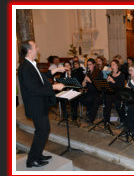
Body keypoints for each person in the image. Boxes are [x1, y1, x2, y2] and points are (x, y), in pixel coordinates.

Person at [18, 40, 65, 168]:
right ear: (29, 51)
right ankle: (32, 159)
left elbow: (39, 77)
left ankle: (38, 155)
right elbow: (33, 89)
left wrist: (54, 72)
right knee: (42, 131)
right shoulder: (25, 68)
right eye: (35, 47)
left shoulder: (30, 65)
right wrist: (54, 87)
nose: (38, 49)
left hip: (40, 104)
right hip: (35, 106)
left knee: (43, 130)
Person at [59, 61, 85, 126]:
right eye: (65, 65)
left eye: (68, 65)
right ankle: (65, 116)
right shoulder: (62, 74)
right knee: (61, 98)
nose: (67, 67)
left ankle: (74, 117)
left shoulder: (75, 73)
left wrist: (70, 77)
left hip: (74, 90)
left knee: (75, 100)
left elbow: (78, 83)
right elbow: (61, 84)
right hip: (65, 90)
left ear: (70, 66)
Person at [81, 58, 104, 123]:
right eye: (88, 65)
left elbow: (98, 86)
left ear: (94, 64)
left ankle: (91, 117)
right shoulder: (88, 73)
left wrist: (90, 81)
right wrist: (84, 81)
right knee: (81, 98)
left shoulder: (98, 72)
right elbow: (83, 86)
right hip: (90, 91)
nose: (89, 66)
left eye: (90, 64)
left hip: (98, 92)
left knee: (93, 99)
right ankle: (89, 111)